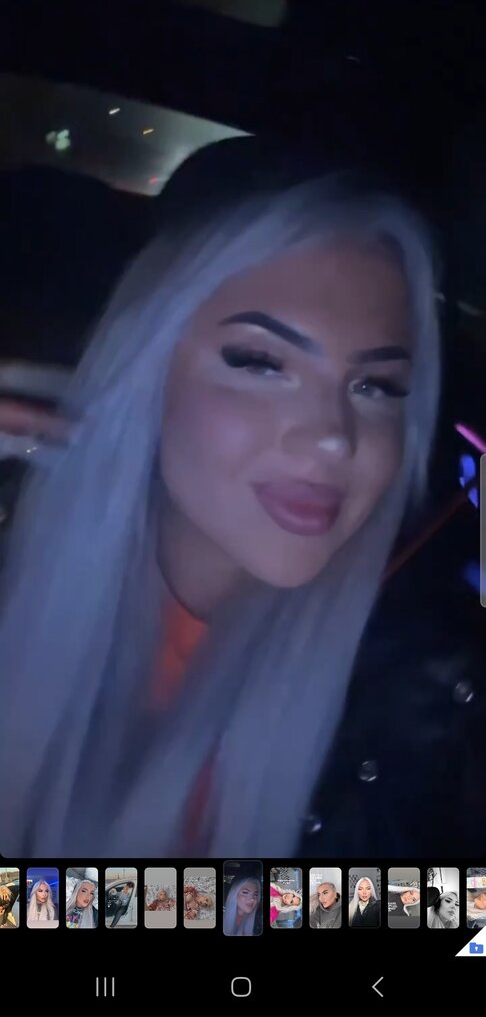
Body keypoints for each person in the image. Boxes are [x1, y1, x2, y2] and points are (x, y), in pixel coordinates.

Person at [0, 135, 485, 860]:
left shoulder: (431, 702)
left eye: (375, 386)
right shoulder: (18, 567)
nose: (333, 439)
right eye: (262, 363)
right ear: (146, 370)